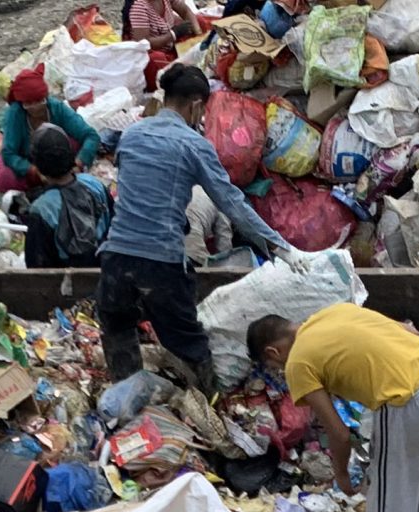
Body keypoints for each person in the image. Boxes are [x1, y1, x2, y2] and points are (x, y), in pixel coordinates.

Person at [98, 63, 298, 386]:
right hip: (160, 263)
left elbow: (136, 192)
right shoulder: (194, 145)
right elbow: (231, 201)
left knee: (118, 327)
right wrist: (278, 245)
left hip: (115, 257)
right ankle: (212, 406)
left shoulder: (132, 135)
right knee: (189, 341)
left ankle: (126, 400)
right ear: (195, 105)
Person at [249, 304, 419, 512]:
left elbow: (339, 432)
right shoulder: (329, 313)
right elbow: (405, 329)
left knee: (390, 493)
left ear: (274, 352)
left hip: (406, 400)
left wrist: (341, 475)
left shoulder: (297, 362)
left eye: (275, 366)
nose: (281, 370)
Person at [0, 67, 101, 194]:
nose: (35, 108)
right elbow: (9, 153)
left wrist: (79, 162)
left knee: (75, 141)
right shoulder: (14, 115)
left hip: (59, 161)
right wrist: (33, 171)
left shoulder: (57, 108)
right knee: (5, 177)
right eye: (29, 104)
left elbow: (91, 135)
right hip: (30, 162)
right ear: (22, 104)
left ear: (46, 98)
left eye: (39, 102)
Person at [25, 124, 115, 268]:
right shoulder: (94, 185)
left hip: (66, 283)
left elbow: (36, 265)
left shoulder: (42, 209)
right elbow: (113, 226)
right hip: (104, 270)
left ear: (38, 166)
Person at [121, 0, 206, 85]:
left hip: (171, 45)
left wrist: (198, 36)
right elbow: (143, 44)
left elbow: (185, 11)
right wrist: (173, 34)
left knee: (199, 21)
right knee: (157, 59)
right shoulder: (139, 7)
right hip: (151, 53)